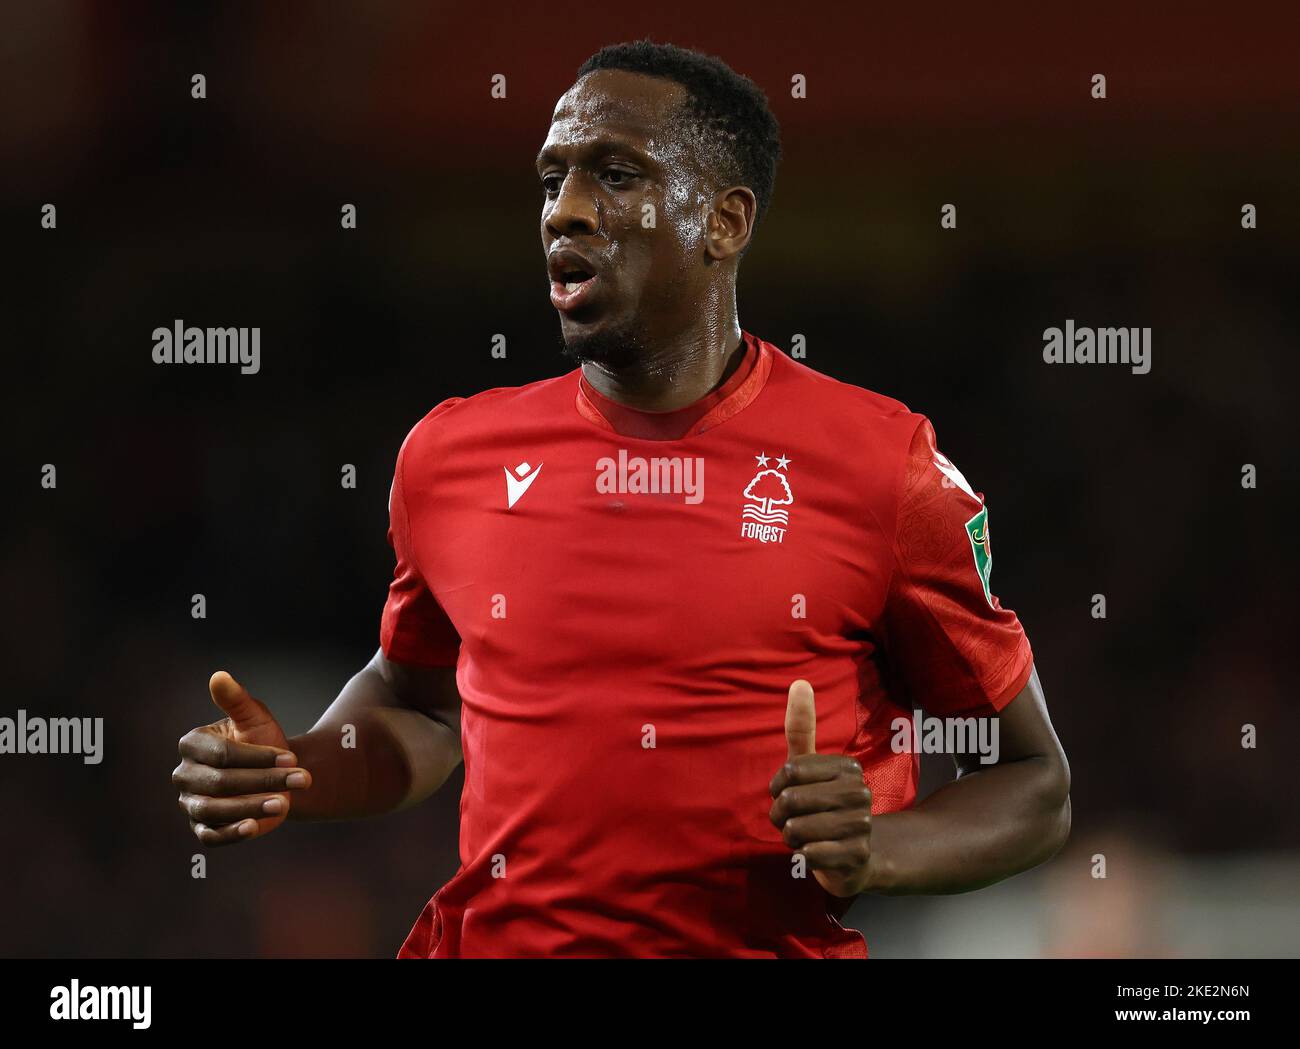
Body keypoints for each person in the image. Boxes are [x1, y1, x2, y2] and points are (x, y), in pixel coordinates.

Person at [172, 40, 1070, 958]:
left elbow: (1036, 782)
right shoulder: (450, 456)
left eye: (614, 174)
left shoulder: (881, 465)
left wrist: (880, 846)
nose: (565, 211)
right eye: (552, 178)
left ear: (724, 221)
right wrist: (298, 769)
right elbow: (425, 705)